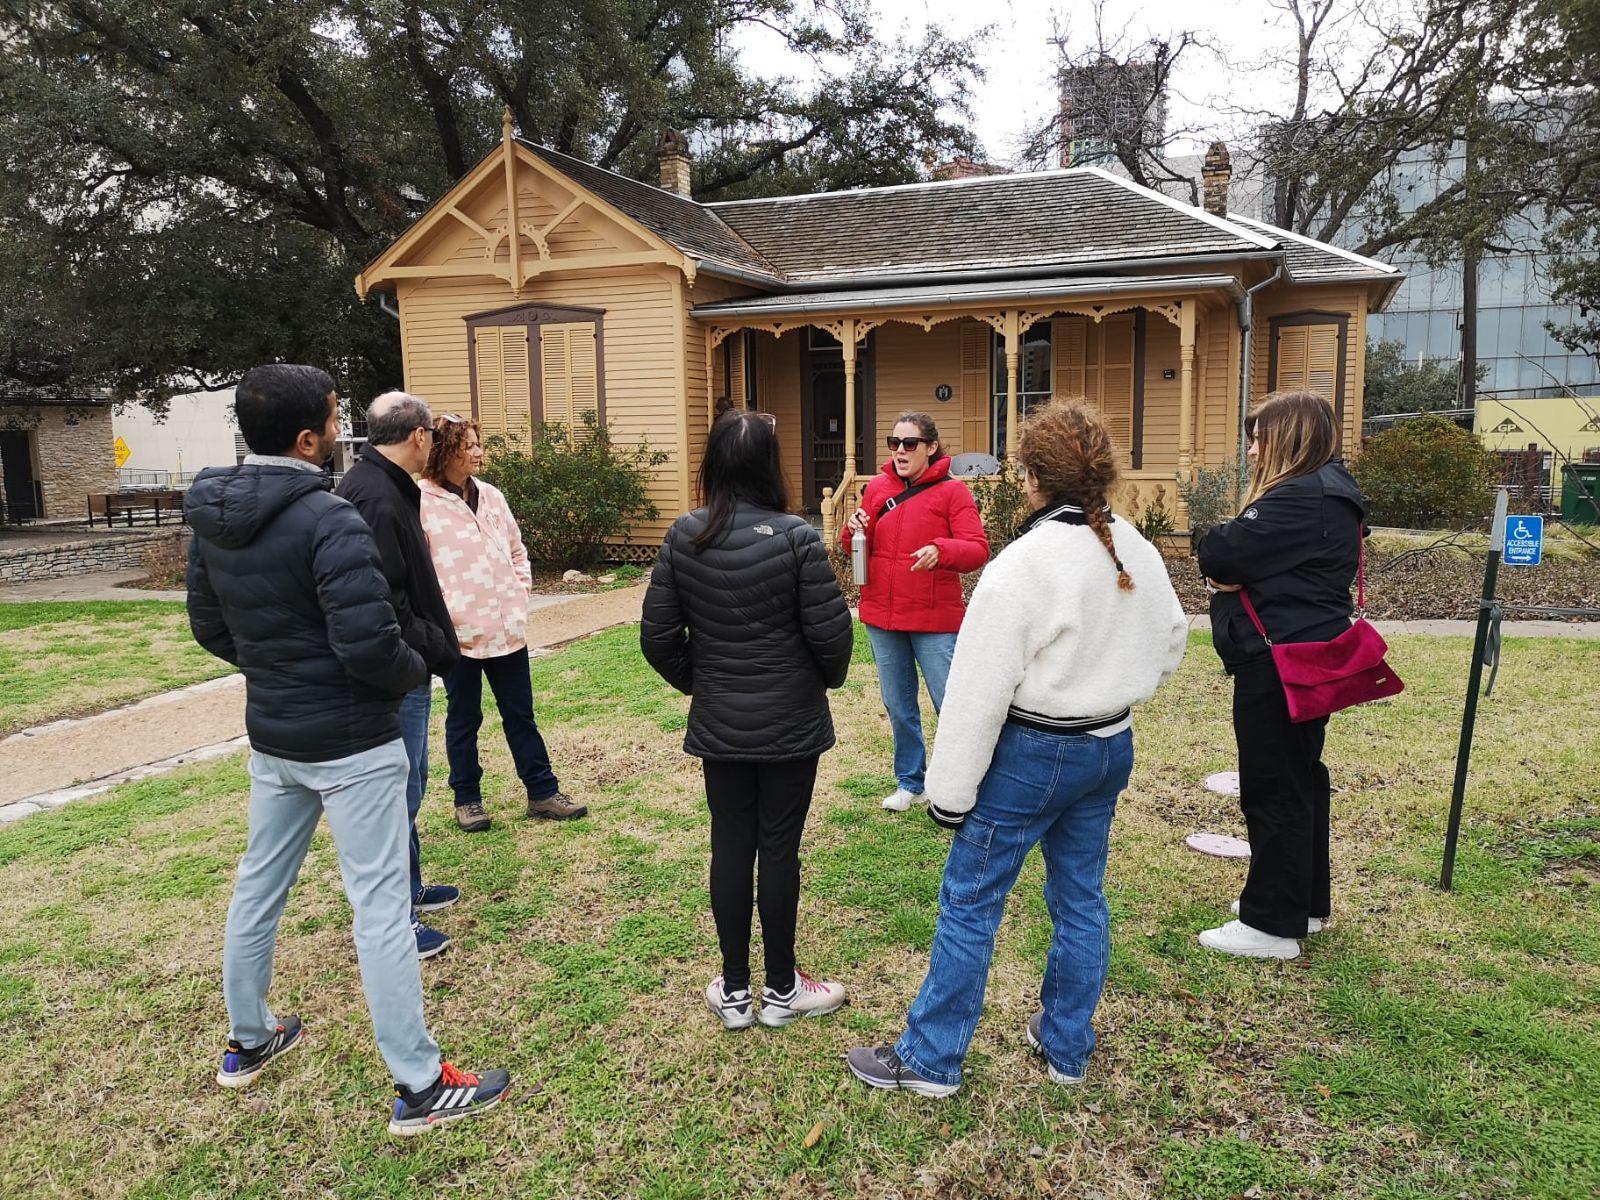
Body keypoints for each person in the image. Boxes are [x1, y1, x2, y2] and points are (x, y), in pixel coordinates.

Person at [186, 364, 507, 1135]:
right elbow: (370, 644)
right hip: (354, 738)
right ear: (307, 438)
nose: (342, 433)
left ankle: (250, 1038)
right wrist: (416, 669)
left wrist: (279, 672)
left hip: (277, 736)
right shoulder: (329, 519)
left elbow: (211, 628)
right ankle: (422, 1085)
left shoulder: (212, 515)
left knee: (258, 885)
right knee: (381, 911)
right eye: (334, 420)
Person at [846, 401, 1187, 1097]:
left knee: (971, 900)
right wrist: (1113, 680)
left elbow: (975, 696)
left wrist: (947, 795)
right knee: (1081, 896)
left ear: (1031, 476)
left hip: (1035, 752)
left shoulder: (1025, 564)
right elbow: (1172, 639)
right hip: (1109, 742)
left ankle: (931, 1058)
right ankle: (1067, 1044)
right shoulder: (1134, 548)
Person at [641, 410, 854, 1031]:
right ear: (769, 464)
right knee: (778, 847)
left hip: (724, 724)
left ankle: (735, 991)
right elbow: (832, 639)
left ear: (713, 463)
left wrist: (707, 685)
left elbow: (658, 638)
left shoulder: (687, 534)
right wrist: (814, 681)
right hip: (789, 725)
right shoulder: (795, 537)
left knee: (730, 844)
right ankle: (782, 990)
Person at [1195, 390, 1370, 960]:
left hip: (1278, 662)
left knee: (1273, 786)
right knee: (1300, 780)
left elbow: (1221, 551)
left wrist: (1223, 557)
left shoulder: (1300, 496)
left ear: (1288, 439)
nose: (1250, 452)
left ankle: (1270, 924)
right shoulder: (1330, 492)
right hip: (1299, 657)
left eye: (1259, 438)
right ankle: (1304, 903)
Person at [335, 391, 461, 961]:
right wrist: (426, 650)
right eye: (431, 433)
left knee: (410, 782)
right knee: (397, 792)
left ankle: (411, 886)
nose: (432, 442)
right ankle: (398, 918)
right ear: (417, 436)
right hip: (397, 669)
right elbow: (384, 596)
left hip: (405, 663)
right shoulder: (377, 498)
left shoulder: (381, 486)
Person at [418, 414, 586, 829]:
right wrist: (447, 611)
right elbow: (421, 569)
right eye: (468, 445)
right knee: (464, 718)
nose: (477, 452)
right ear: (445, 452)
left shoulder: (491, 495)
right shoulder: (421, 502)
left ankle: (542, 792)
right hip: (460, 636)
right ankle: (468, 798)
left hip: (507, 630)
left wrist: (518, 594)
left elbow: (517, 549)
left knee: (520, 714)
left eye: (478, 444)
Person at [844, 412, 989, 812]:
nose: (901, 451)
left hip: (933, 621)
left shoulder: (953, 494)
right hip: (883, 617)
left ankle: (963, 786)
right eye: (895, 443)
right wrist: (853, 527)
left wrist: (942, 550)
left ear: (931, 447)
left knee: (950, 704)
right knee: (898, 704)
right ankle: (911, 782)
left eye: (910, 444)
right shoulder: (876, 489)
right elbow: (855, 548)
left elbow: (977, 548)